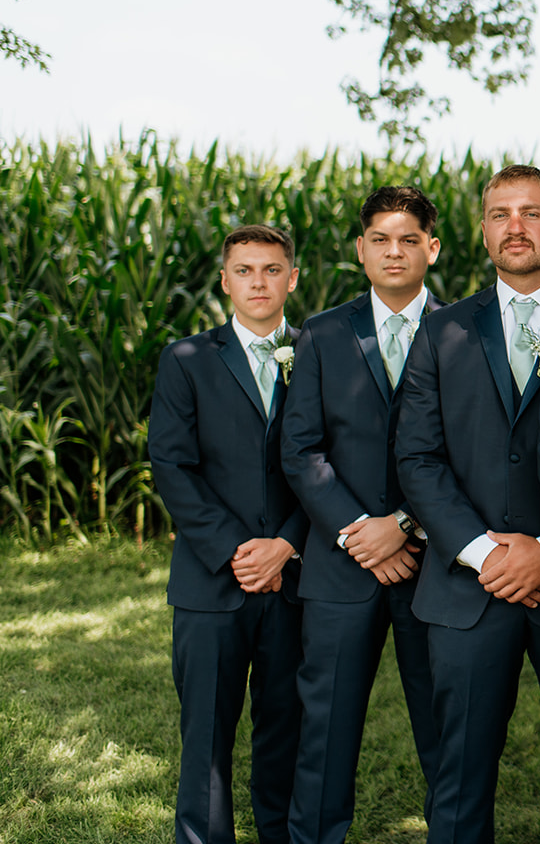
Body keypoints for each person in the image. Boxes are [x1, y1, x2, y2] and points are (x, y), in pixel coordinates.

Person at [394, 165, 540, 844]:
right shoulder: (442, 331)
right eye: (500, 214)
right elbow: (417, 459)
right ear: (482, 231)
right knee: (457, 775)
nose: (516, 227)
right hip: (468, 588)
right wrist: (489, 556)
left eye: (532, 213)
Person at [281, 186, 445, 843]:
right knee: (326, 725)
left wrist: (404, 523)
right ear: (361, 249)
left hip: (435, 565)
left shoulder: (462, 329)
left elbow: (473, 453)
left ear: (431, 248)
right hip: (341, 564)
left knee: (444, 726)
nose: (395, 251)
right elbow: (299, 449)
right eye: (380, 239)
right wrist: (360, 534)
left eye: (409, 238)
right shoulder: (322, 333)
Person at [149, 223, 308, 844]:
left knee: (285, 727)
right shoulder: (187, 359)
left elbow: (331, 461)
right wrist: (237, 552)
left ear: (292, 279)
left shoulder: (317, 353)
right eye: (245, 270)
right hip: (213, 581)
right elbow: (172, 465)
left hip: (295, 577)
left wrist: (287, 543)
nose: (259, 282)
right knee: (207, 735)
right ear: (225, 280)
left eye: (272, 269)